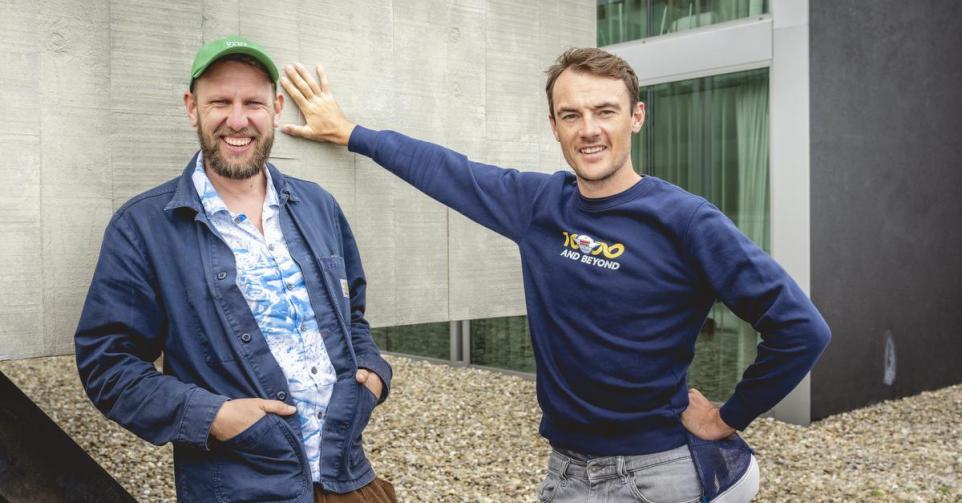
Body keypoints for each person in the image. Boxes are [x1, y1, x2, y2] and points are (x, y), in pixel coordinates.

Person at [279, 47, 831, 502]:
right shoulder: (540, 204)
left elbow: (800, 329)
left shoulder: (685, 220)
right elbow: (449, 171)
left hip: (655, 472)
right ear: (554, 125)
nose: (589, 130)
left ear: (636, 117)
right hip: (566, 470)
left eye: (605, 111)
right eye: (571, 115)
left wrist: (728, 417)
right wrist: (349, 131)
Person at [75, 36, 396, 503]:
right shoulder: (143, 227)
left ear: (276, 108)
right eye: (220, 102)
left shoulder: (318, 206)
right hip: (241, 489)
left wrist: (372, 372)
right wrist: (214, 416)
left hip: (349, 479)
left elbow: (354, 317)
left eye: (253, 103)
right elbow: (108, 365)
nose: (238, 120)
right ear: (192, 108)